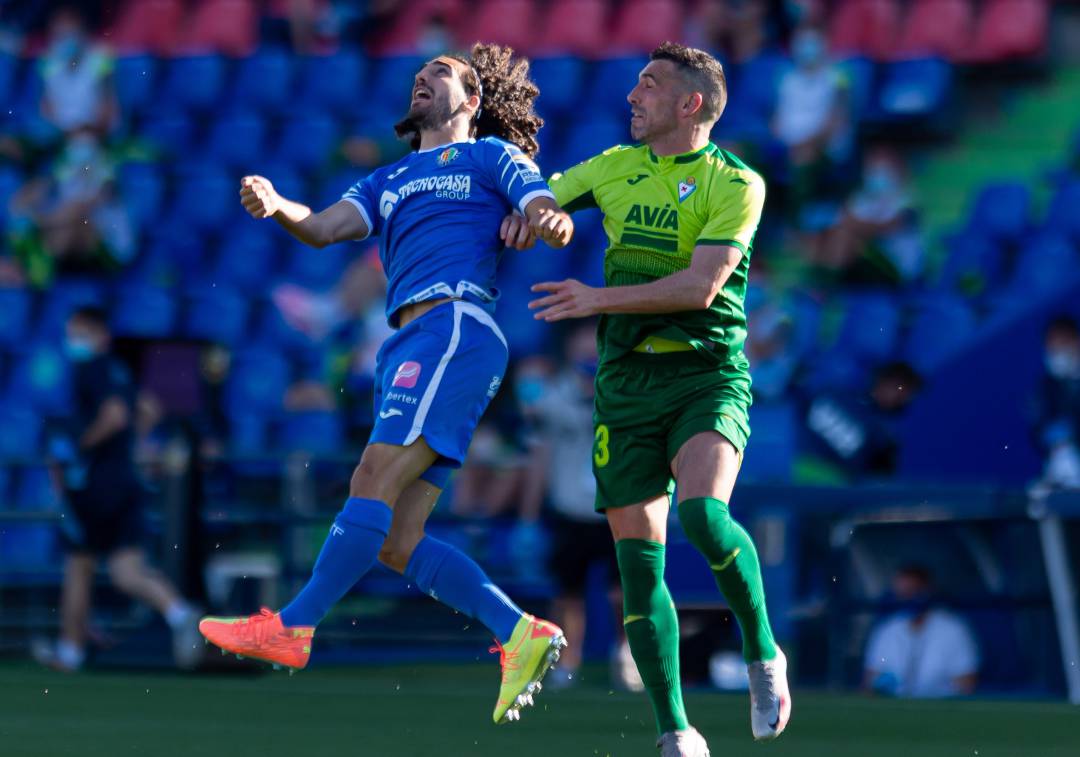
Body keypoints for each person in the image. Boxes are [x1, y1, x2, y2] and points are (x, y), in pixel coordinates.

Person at [198, 44, 574, 726]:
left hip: (454, 324)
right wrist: (280, 203)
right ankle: (520, 630)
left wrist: (544, 215)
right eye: (416, 75)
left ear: (472, 100)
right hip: (412, 339)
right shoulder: (389, 178)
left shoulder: (488, 157)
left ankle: (294, 624)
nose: (422, 80)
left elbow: (538, 197)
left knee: (372, 473)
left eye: (439, 73)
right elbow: (321, 228)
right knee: (399, 538)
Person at [503, 42, 790, 754]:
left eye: (650, 85)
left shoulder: (736, 183)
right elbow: (543, 195)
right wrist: (533, 213)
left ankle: (762, 650)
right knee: (638, 565)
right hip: (626, 385)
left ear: (690, 104)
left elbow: (700, 288)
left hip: (705, 373)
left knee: (701, 511)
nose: (632, 95)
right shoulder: (614, 164)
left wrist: (595, 298)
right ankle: (676, 730)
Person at [37, 307, 201, 672]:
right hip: (125, 481)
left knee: (78, 565)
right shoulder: (120, 371)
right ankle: (181, 613)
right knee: (127, 571)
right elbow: (148, 407)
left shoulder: (93, 368)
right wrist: (135, 443)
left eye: (79, 332)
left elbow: (115, 416)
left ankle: (71, 650)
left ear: (99, 335)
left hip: (97, 485)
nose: (73, 341)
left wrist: (81, 446)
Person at [514, 322, 642, 692]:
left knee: (623, 593)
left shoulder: (625, 393)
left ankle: (627, 655)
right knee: (568, 593)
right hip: (570, 510)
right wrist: (528, 516)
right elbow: (538, 458)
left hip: (616, 510)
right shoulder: (551, 398)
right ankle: (567, 662)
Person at [863, 565, 979, 698]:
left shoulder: (953, 629)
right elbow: (870, 681)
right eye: (902, 594)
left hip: (941, 707)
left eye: (912, 592)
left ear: (927, 591)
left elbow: (967, 683)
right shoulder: (888, 630)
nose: (906, 598)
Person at [1031, 315, 1080, 488]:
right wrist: (1063, 449)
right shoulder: (1046, 388)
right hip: (1066, 477)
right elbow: (1041, 428)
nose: (1059, 351)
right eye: (1053, 346)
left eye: (1064, 343)